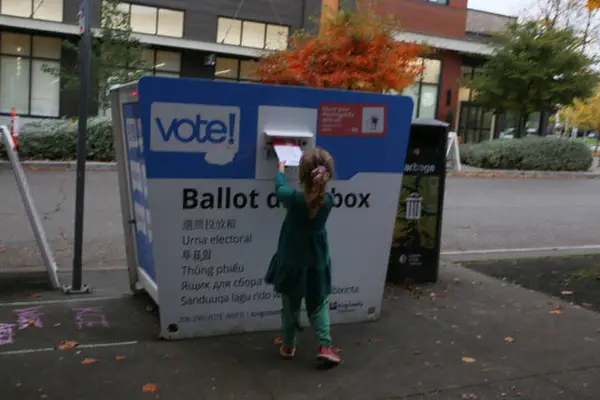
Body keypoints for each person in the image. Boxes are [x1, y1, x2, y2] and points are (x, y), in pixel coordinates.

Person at [265, 147, 341, 366]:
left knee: (290, 306)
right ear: (328, 175)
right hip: (317, 262)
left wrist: (280, 169)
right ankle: (325, 346)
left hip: (291, 261)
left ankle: (288, 345)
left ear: (301, 174)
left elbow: (280, 189)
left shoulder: (293, 199)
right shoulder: (328, 201)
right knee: (318, 304)